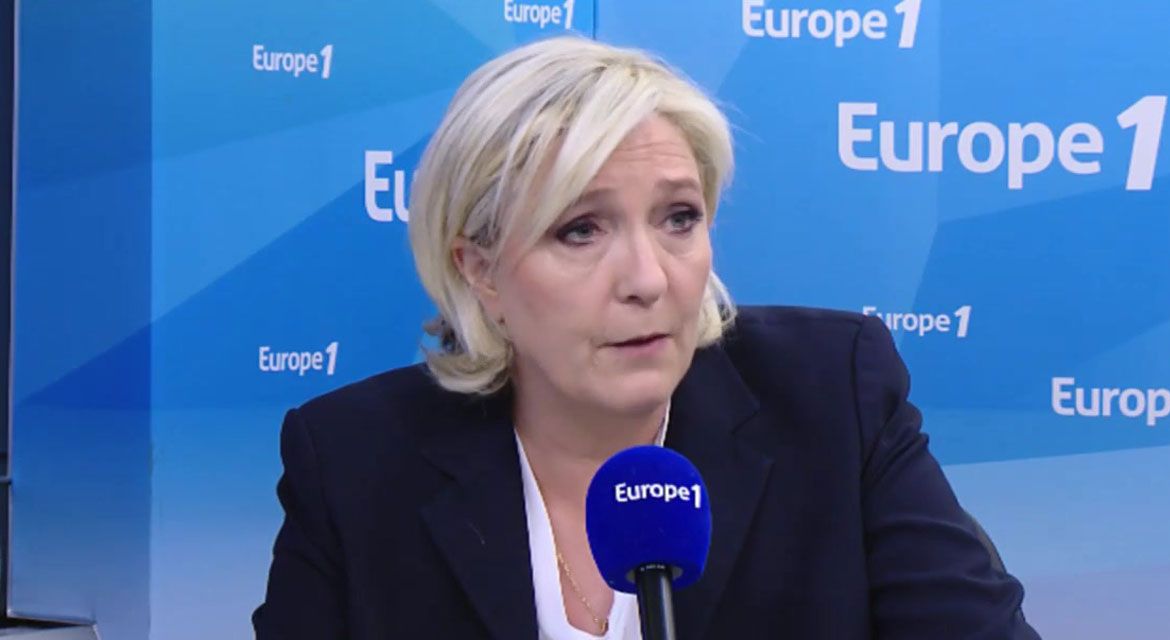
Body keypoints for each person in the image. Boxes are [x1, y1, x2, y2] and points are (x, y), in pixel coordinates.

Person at [252, 36, 1039, 640]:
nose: (648, 278)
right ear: (480, 270)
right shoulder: (353, 461)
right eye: (581, 229)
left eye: (678, 219)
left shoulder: (835, 398)